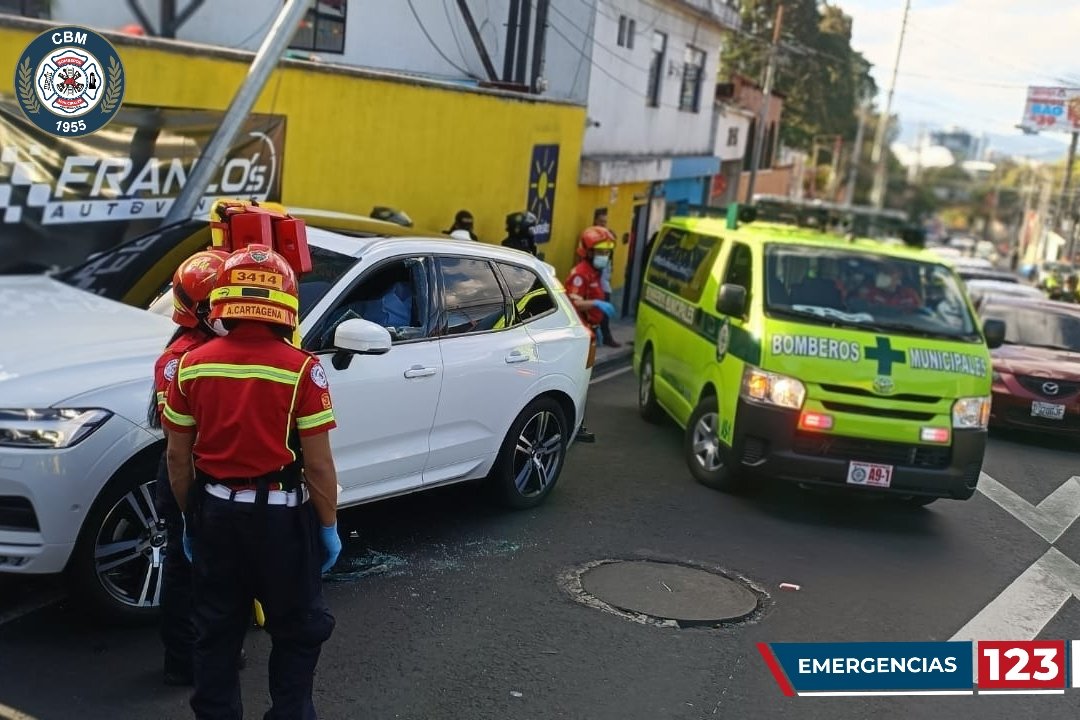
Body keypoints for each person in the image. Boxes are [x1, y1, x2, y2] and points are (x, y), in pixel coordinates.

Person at [162, 244, 340, 719]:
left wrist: (190, 520)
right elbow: (319, 466)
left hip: (216, 515)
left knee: (215, 631)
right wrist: (327, 526)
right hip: (282, 522)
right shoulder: (303, 369)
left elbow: (177, 459)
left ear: (224, 300)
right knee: (297, 630)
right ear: (285, 303)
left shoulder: (190, 365)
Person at [146, 249, 228, 687]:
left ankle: (212, 648)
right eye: (218, 302)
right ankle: (183, 660)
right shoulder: (180, 359)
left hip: (210, 470)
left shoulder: (212, 347)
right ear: (196, 308)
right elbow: (180, 443)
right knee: (186, 568)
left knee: (214, 567)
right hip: (189, 473)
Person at [591, 210, 621, 348]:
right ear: (595, 221)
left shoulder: (607, 237)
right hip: (596, 282)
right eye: (601, 221)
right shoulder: (591, 237)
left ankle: (605, 337)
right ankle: (603, 337)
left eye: (605, 222)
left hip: (605, 281)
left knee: (604, 312)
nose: (603, 224)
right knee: (596, 312)